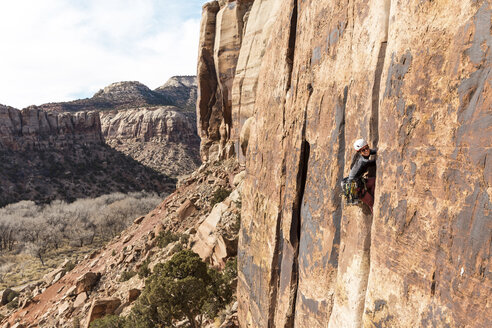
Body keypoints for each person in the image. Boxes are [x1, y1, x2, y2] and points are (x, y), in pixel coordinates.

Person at [348, 138, 377, 212]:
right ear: (359, 152)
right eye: (363, 150)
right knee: (372, 203)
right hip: (356, 188)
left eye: (366, 148)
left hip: (359, 181)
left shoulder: (363, 153)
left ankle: (372, 193)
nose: (366, 151)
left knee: (374, 181)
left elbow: (373, 151)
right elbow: (374, 162)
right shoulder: (362, 161)